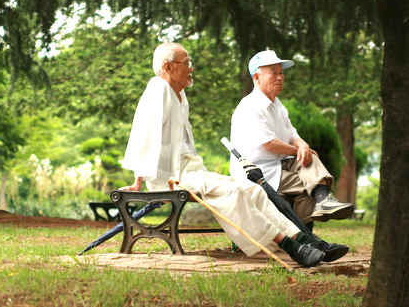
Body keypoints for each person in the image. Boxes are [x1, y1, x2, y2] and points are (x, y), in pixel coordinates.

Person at [120, 42, 346, 267]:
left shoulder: (179, 96)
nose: (191, 68)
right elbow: (143, 134)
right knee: (236, 192)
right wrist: (138, 181)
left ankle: (303, 240)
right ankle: (289, 245)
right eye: (187, 63)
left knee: (253, 190)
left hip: (192, 171)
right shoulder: (158, 88)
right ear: (168, 67)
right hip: (172, 176)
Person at [229, 50, 354, 229]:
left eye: (281, 73)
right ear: (256, 77)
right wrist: (300, 150)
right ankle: (307, 234)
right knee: (306, 183)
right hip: (256, 171)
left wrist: (303, 145)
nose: (280, 77)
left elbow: (293, 135)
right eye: (273, 72)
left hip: (276, 166)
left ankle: (323, 202)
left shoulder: (278, 106)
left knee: (309, 158)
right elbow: (269, 143)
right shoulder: (250, 106)